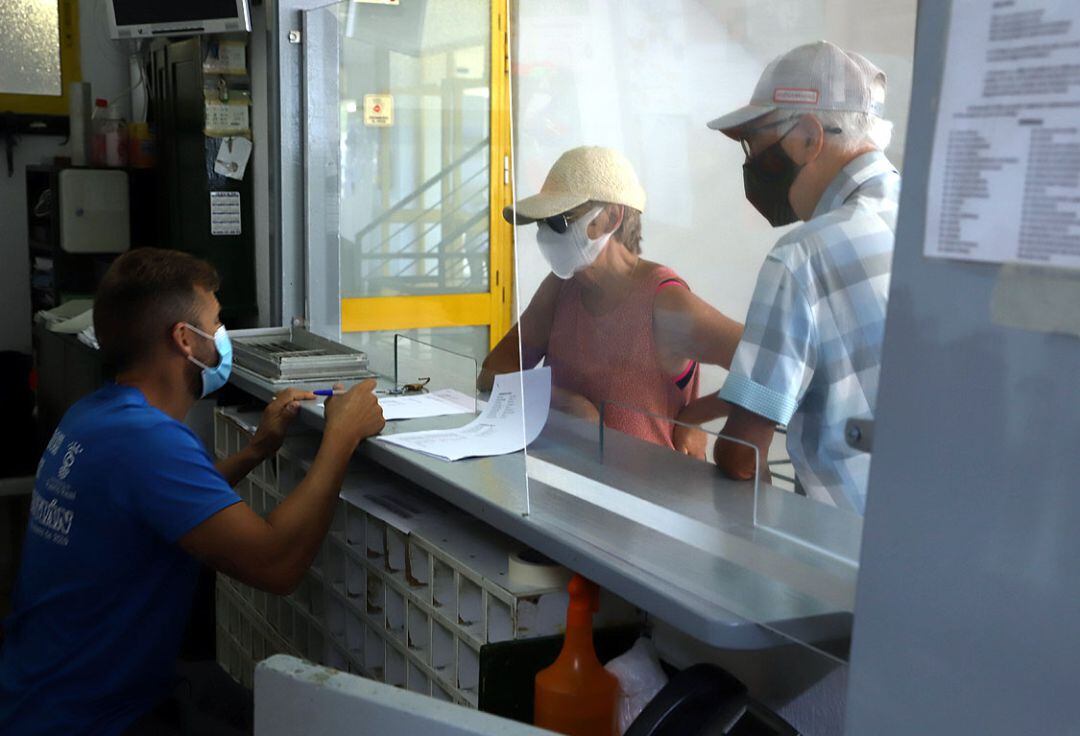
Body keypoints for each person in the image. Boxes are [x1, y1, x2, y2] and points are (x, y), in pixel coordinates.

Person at [0, 249, 385, 735]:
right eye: (216, 324)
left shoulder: (96, 416)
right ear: (184, 340)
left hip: (41, 693)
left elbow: (162, 512)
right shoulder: (148, 442)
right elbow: (276, 564)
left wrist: (255, 450)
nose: (222, 339)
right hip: (89, 720)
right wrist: (341, 437)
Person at [693, 41, 900, 513]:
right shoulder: (931, 221)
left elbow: (743, 454)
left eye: (756, 144)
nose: (750, 163)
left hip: (846, 550)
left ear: (809, 137)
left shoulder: (802, 257)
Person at [480, 146, 743, 456]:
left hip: (642, 493)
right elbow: (493, 371)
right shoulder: (560, 289)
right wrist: (566, 403)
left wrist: (695, 418)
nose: (545, 235)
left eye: (559, 221)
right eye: (541, 222)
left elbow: (768, 366)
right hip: (562, 484)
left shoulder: (664, 302)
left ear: (611, 217)